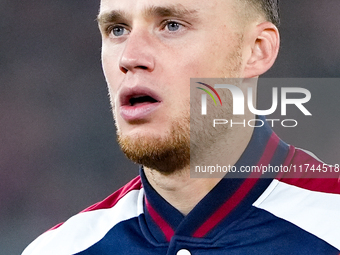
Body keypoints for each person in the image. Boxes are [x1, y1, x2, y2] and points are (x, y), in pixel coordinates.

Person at [22, 0, 340, 254]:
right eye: (117, 29)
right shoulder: (60, 249)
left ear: (256, 49)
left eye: (172, 25)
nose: (129, 57)